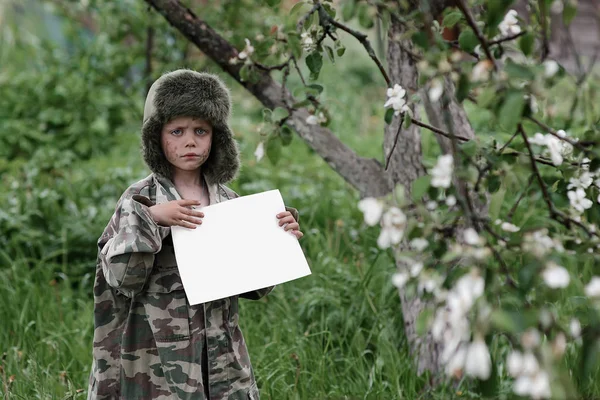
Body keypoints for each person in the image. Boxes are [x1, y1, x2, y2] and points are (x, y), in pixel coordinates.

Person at [87, 69, 303, 400]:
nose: (190, 141)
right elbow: (122, 279)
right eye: (177, 131)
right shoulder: (140, 198)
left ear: (217, 137)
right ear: (156, 136)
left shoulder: (228, 201)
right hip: (156, 360)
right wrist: (151, 219)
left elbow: (256, 287)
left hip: (220, 358)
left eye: (200, 130)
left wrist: (278, 236)